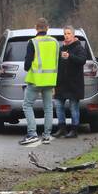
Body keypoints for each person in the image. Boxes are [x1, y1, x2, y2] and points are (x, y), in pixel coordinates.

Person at [20, 18, 59, 146]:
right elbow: (58, 62)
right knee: (48, 107)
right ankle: (47, 136)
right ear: (48, 28)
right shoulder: (55, 42)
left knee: (27, 105)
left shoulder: (33, 42)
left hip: (35, 80)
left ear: (36, 28)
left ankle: (32, 134)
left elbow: (26, 65)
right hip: (50, 80)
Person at [52, 25, 87, 138]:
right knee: (58, 105)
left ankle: (74, 130)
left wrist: (70, 56)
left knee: (73, 107)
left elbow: (82, 60)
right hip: (61, 84)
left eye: (68, 34)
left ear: (73, 35)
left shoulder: (79, 47)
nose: (66, 36)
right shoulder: (61, 48)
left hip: (74, 84)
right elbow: (57, 66)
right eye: (65, 34)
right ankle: (61, 128)